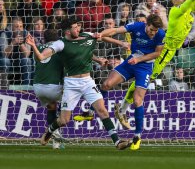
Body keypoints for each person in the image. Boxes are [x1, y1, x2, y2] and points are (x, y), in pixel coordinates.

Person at [114, 0, 195, 143]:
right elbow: (192, 1)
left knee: (144, 80)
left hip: (169, 52)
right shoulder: (176, 11)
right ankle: (123, 108)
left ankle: (123, 108)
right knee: (145, 80)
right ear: (175, 0)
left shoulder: (189, 12)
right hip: (163, 51)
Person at [25, 17, 129, 150]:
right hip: (71, 84)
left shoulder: (87, 36)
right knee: (64, 120)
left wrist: (122, 44)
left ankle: (117, 141)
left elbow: (103, 36)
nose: (79, 29)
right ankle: (50, 130)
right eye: (75, 27)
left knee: (102, 110)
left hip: (87, 82)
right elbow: (41, 57)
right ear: (68, 31)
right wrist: (33, 45)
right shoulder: (60, 44)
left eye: (78, 26)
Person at [97, 14, 165, 150]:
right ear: (146, 24)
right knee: (106, 84)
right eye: (151, 29)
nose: (153, 33)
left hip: (145, 66)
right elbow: (115, 30)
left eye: (155, 31)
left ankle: (138, 136)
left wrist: (139, 60)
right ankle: (91, 112)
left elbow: (157, 54)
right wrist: (99, 34)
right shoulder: (136, 26)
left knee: (137, 100)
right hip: (131, 61)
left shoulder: (160, 34)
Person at [32, 29, 65, 149]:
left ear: (44, 38)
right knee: (65, 109)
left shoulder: (39, 47)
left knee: (51, 106)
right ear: (57, 38)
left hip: (37, 87)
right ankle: (56, 138)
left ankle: (55, 136)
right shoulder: (59, 48)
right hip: (54, 86)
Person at [0, 17, 33, 85]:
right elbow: (5, 54)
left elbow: (27, 54)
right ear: (11, 27)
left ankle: (26, 88)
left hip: (20, 61)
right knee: (5, 60)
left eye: (21, 26)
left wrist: (20, 44)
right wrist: (13, 42)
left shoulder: (26, 34)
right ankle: (3, 86)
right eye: (16, 26)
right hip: (8, 61)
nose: (19, 29)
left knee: (27, 60)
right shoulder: (4, 34)